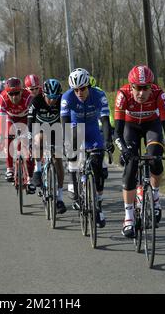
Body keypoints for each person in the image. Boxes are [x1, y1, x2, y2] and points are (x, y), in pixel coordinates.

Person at [114, 65, 165, 238]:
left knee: (155, 159)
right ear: (131, 86)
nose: (141, 93)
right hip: (130, 127)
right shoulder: (123, 94)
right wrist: (123, 150)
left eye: (146, 88)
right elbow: (117, 133)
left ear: (152, 86)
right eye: (138, 88)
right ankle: (128, 217)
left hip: (152, 125)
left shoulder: (159, 94)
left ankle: (155, 198)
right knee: (131, 165)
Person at [60, 68, 114, 228]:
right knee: (72, 153)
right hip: (76, 128)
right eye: (76, 89)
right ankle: (74, 182)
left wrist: (108, 140)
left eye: (82, 88)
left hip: (92, 129)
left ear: (88, 86)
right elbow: (64, 123)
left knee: (98, 168)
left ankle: (98, 205)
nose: (79, 92)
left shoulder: (99, 95)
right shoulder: (67, 97)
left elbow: (105, 120)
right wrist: (67, 143)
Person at [28, 78, 66, 214]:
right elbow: (30, 122)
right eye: (49, 97)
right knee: (39, 138)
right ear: (43, 94)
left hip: (56, 128)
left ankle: (60, 197)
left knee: (58, 161)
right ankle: (38, 170)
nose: (52, 100)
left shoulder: (62, 100)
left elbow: (67, 120)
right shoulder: (36, 101)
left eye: (55, 97)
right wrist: (30, 139)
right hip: (39, 127)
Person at [0, 77, 35, 193]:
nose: (14, 97)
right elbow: (1, 122)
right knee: (8, 137)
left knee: (28, 146)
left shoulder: (28, 97)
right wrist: (0, 142)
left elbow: (33, 120)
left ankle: (30, 178)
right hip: (10, 118)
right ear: (7, 93)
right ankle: (10, 168)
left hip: (25, 118)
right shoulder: (2, 98)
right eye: (11, 94)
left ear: (22, 91)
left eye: (17, 93)